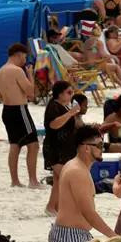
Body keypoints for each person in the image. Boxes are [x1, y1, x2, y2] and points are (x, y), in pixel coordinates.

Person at [0, 43, 40, 188]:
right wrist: (30, 75)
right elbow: (32, 93)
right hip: (19, 109)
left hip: (6, 110)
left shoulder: (1, 70)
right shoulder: (17, 71)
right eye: (25, 57)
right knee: (33, 145)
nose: (25, 61)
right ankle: (33, 181)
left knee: (15, 144)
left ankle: (15, 181)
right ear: (19, 55)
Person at [43, 81, 85, 216]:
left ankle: (53, 207)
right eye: (69, 92)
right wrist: (70, 114)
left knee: (58, 179)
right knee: (66, 178)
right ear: (59, 94)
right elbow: (53, 125)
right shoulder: (54, 106)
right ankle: (55, 207)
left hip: (64, 149)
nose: (71, 95)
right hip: (55, 149)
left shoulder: (64, 106)